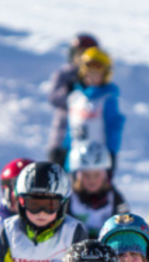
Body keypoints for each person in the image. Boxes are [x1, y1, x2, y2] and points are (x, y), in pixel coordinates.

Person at [64, 47, 125, 174]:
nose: (91, 77)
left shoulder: (107, 99)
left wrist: (111, 153)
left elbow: (114, 127)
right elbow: (71, 127)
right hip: (75, 155)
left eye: (96, 73)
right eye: (88, 72)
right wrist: (65, 148)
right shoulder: (75, 96)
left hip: (97, 158)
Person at [46, 33, 99, 166]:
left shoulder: (95, 77)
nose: (80, 58)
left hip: (85, 139)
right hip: (62, 136)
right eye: (78, 54)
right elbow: (54, 98)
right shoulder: (64, 74)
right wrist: (69, 91)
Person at [67, 140, 129, 238]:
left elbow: (125, 227)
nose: (92, 180)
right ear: (76, 176)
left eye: (97, 174)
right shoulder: (68, 198)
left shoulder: (115, 199)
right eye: (86, 174)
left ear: (105, 175)